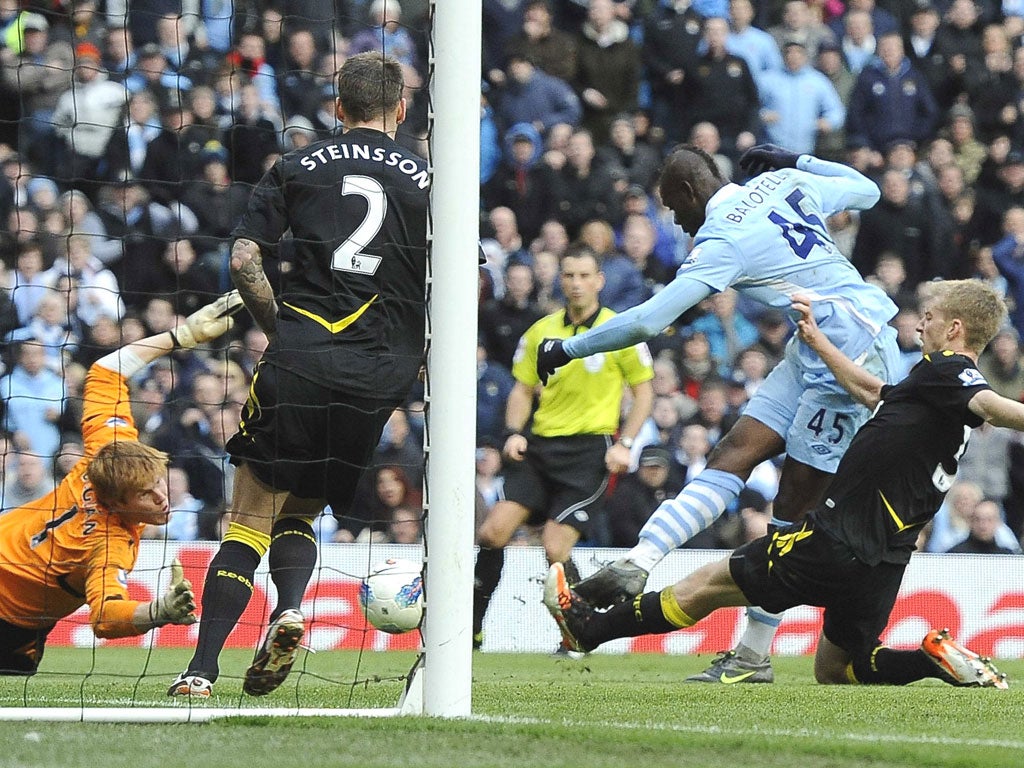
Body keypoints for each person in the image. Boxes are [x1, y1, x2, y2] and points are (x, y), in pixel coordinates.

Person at [536, 143, 902, 683]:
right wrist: (797, 161)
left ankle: (754, 654)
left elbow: (647, 321)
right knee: (734, 451)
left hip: (853, 354)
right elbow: (866, 190)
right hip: (812, 343)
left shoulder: (721, 240)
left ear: (689, 191)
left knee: (791, 506)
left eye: (673, 207)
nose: (677, 221)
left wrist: (568, 348)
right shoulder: (781, 184)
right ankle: (640, 561)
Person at [544, 279, 1013, 690]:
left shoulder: (951, 371)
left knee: (709, 583)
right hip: (885, 559)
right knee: (840, 667)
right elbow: (875, 393)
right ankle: (930, 658)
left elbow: (991, 405)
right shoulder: (932, 388)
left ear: (955, 330)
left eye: (929, 319)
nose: (919, 326)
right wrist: (821, 343)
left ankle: (587, 629)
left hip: (837, 539)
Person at [171, 52, 429, 699]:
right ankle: (289, 605)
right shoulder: (428, 180)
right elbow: (461, 272)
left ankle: (201, 670)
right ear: (401, 109)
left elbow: (243, 258)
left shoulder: (298, 165)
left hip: (304, 358)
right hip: (379, 377)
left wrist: (280, 326)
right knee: (305, 507)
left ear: (338, 108)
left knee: (248, 517)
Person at [0, 292, 241, 675]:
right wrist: (158, 611)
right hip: (10, 615)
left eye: (158, 483)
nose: (163, 498)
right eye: (147, 495)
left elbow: (106, 370)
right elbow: (105, 617)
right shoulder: (107, 541)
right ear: (118, 503)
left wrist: (181, 336)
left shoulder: (111, 451)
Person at [472, 243, 654, 651]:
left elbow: (644, 394)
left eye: (584, 275)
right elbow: (521, 389)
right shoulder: (541, 331)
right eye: (569, 275)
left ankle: (578, 632)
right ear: (560, 279)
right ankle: (472, 629)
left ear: (599, 281)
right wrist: (513, 432)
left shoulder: (620, 329)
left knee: (555, 546)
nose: (576, 283)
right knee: (492, 532)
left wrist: (625, 443)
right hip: (540, 448)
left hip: (590, 451)